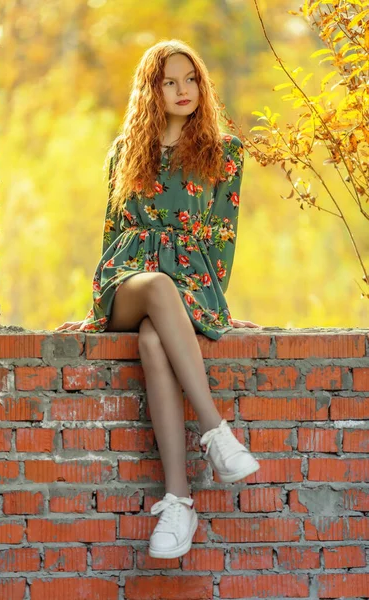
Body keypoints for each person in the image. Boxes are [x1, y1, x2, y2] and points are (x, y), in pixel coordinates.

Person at [55, 39, 262, 560]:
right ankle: (215, 432)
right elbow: (111, 231)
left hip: (189, 283)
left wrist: (214, 305)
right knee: (155, 289)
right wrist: (92, 312)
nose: (183, 90)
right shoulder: (126, 150)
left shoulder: (225, 152)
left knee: (154, 341)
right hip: (129, 280)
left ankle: (178, 501)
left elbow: (222, 237)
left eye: (190, 79)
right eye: (170, 81)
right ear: (152, 89)